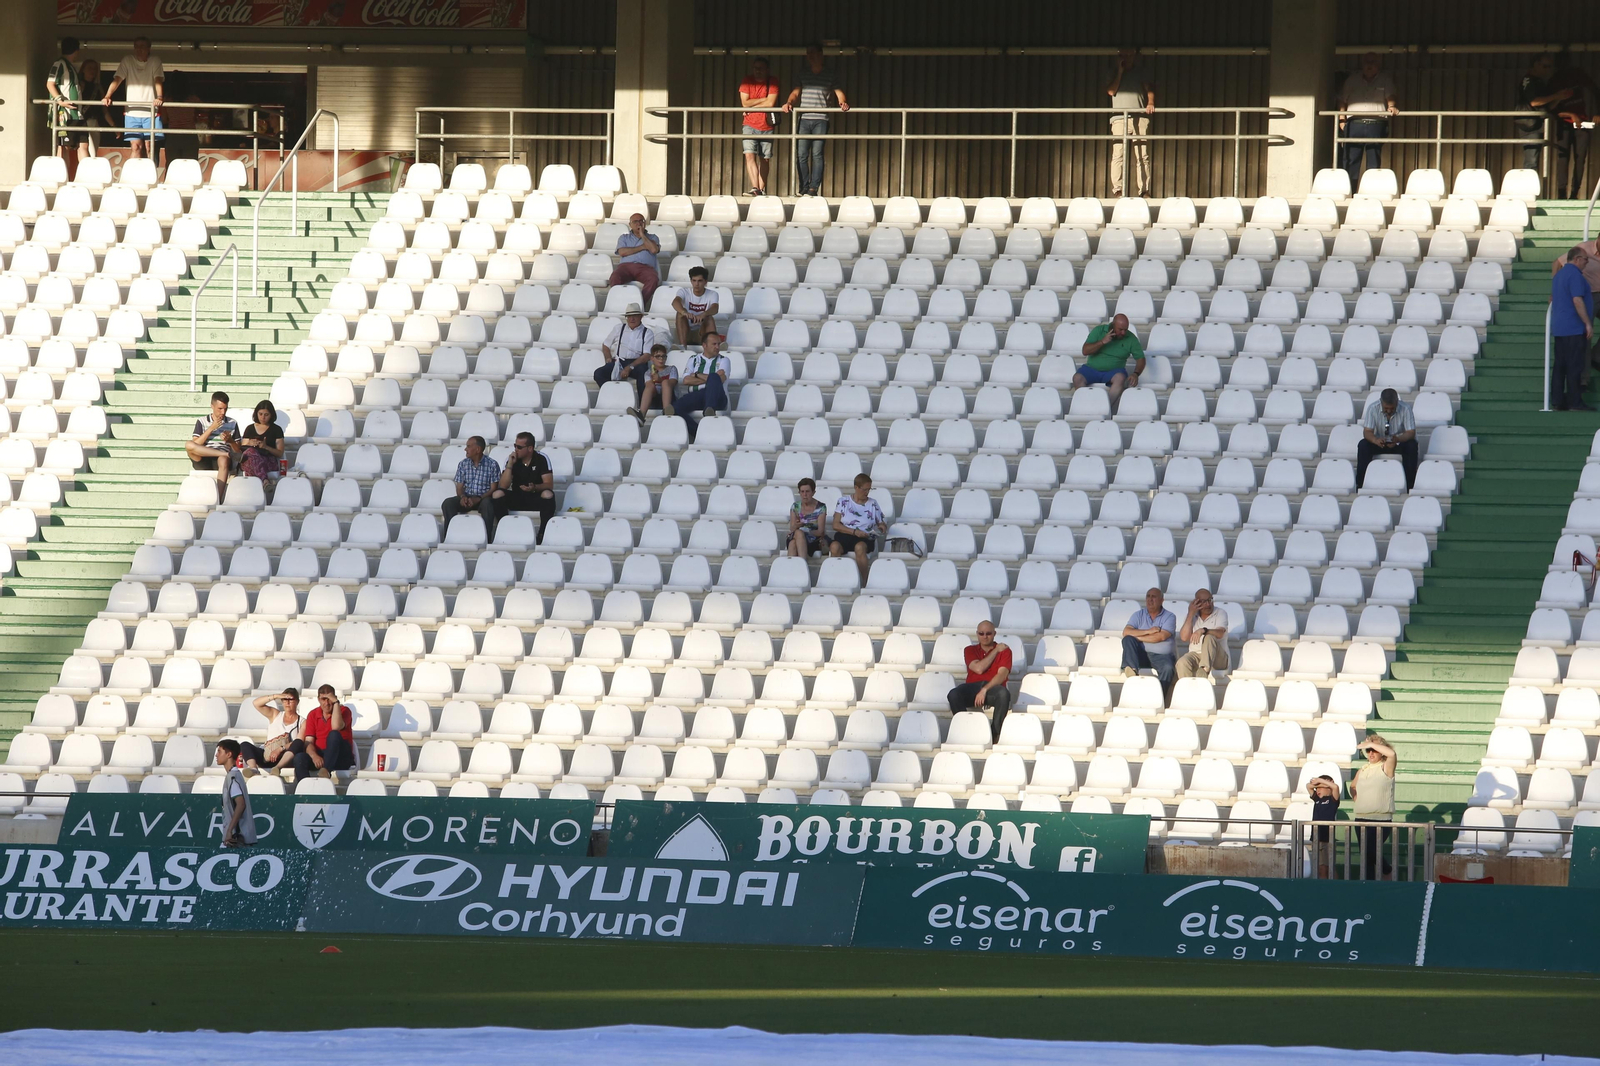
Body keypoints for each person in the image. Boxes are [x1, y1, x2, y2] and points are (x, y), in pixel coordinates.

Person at [783, 44, 849, 197]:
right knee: (801, 154)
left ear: (821, 54)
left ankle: (813, 188)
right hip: (804, 118)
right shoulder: (803, 73)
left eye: (813, 53)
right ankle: (804, 187)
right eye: (808, 53)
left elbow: (839, 93)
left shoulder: (830, 74)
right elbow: (795, 92)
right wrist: (789, 103)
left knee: (817, 154)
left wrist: (843, 103)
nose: (810, 56)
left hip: (821, 119)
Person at [1337, 52, 1398, 190]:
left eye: (1373, 62)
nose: (1370, 65)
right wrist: (1342, 119)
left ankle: (1371, 192)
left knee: (1374, 160)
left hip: (1376, 123)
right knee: (1351, 159)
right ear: (1362, 64)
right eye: (1367, 62)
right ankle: (1349, 191)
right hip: (1354, 124)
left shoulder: (1385, 80)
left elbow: (1391, 95)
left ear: (1378, 65)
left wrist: (1392, 106)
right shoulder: (1352, 80)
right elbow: (1342, 99)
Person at [947, 621, 1013, 741]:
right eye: (981, 633)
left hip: (992, 688)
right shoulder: (970, 650)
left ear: (994, 634)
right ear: (977, 634)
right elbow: (978, 669)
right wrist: (996, 651)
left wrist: (985, 689)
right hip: (972, 687)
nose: (985, 636)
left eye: (988, 633)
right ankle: (966, 730)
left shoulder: (1005, 651)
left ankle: (994, 735)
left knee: (1003, 694)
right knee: (953, 694)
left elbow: (1002, 675)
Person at [103, 36, 165, 163]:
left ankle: (152, 177)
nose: (139, 49)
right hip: (132, 113)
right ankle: (133, 177)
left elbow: (158, 79)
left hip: (151, 113)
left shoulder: (155, 61)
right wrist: (108, 96)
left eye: (142, 46)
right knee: (135, 147)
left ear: (149, 48)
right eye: (136, 46)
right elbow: (118, 79)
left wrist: (159, 97)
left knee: (150, 147)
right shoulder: (128, 60)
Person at [490, 431, 556, 543]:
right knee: (497, 494)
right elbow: (503, 486)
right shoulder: (511, 459)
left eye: (519, 447)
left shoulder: (541, 459)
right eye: (515, 446)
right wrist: (510, 465)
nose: (516, 449)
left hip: (535, 496)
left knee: (548, 494)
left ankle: (542, 533)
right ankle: (506, 529)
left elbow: (549, 484)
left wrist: (534, 487)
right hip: (518, 497)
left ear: (530, 448)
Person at [1106, 48, 1154, 197]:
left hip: (1139, 117)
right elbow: (1111, 91)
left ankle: (1144, 190)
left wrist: (1150, 102)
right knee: (1118, 154)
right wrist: (1120, 72)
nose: (1128, 58)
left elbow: (1149, 89)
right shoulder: (1113, 72)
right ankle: (1118, 190)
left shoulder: (1141, 72)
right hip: (1119, 118)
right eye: (1124, 55)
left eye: (1130, 55)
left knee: (1142, 155)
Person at [1551, 246, 1595, 411]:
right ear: (1577, 259)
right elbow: (1577, 300)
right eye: (1585, 259)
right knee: (1574, 365)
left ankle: (1557, 400)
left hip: (1560, 327)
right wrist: (1587, 323)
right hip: (1573, 327)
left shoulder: (1559, 275)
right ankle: (1575, 401)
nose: (1586, 262)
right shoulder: (1575, 275)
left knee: (1560, 365)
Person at [1349, 734, 1397, 880]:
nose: (1370, 753)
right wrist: (1357, 798)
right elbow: (1353, 786)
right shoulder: (1362, 769)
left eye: (1374, 750)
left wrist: (1370, 743)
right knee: (1365, 856)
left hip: (1380, 818)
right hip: (1361, 818)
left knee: (1372, 851)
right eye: (1368, 750)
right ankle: (1368, 885)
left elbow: (1392, 753)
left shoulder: (1386, 766)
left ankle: (1387, 870)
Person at [1517, 54, 1573, 172]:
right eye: (1545, 66)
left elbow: (1547, 106)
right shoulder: (1529, 80)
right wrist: (1555, 96)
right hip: (1529, 124)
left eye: (1549, 67)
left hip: (1537, 124)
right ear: (1536, 65)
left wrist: (1559, 98)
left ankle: (1532, 188)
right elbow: (1534, 102)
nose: (1547, 70)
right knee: (1531, 161)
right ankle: (1529, 189)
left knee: (1534, 159)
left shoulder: (1540, 82)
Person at [1075, 314, 1144, 410]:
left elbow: (1141, 359)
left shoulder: (1131, 338)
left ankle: (1105, 409)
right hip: (1092, 369)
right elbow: (1085, 351)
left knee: (1120, 378)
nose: (1123, 333)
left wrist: (1136, 373)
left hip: (1114, 372)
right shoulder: (1099, 331)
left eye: (1125, 329)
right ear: (1113, 325)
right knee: (1077, 378)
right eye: (1120, 329)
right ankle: (1086, 407)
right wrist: (1102, 342)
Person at [1356, 388, 1419, 488]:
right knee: (1363, 445)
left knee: (1412, 445)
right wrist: (1375, 440)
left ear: (1397, 403)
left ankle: (1410, 485)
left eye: (1392, 408)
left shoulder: (1406, 409)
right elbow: (1367, 432)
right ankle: (1360, 484)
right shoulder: (1373, 408)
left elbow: (1411, 432)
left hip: (1398, 442)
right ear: (1381, 403)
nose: (1389, 411)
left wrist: (1398, 439)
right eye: (1386, 408)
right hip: (1379, 442)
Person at [674, 330, 730, 441]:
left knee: (714, 378)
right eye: (714, 344)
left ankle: (709, 409)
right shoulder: (693, 359)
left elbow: (721, 379)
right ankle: (698, 432)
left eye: (718, 344)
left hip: (718, 397)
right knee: (674, 408)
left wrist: (697, 375)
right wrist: (711, 380)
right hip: (697, 396)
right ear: (704, 345)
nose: (717, 347)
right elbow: (686, 380)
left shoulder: (724, 360)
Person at [830, 473, 887, 584]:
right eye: (864, 489)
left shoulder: (873, 503)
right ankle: (837, 578)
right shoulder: (843, 502)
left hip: (865, 537)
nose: (867, 493)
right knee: (834, 547)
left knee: (860, 547)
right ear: (856, 487)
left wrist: (881, 527)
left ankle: (864, 581)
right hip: (846, 535)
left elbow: (881, 523)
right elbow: (835, 525)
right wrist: (854, 532)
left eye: (869, 490)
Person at [442, 435, 502, 537]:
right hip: (466, 497)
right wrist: (462, 497)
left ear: (477, 449)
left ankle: (486, 537)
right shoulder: (463, 464)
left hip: (483, 498)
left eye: (468, 446)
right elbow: (459, 487)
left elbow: (493, 488)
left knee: (488, 504)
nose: (465, 449)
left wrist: (479, 498)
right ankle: (449, 535)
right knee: (448, 503)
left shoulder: (492, 464)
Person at [1121, 586, 1177, 693]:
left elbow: (1160, 637)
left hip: (1161, 656)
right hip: (1141, 654)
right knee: (1128, 639)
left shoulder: (1170, 616)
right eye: (1148, 596)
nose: (1150, 599)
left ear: (1162, 600)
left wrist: (1137, 636)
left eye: (1154, 597)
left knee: (1168, 668)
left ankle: (1159, 698)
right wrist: (1149, 631)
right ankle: (1131, 669)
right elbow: (1126, 632)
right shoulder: (1138, 615)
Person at [293, 684, 355, 781]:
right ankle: (305, 789)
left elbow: (336, 726)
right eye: (323, 699)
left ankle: (326, 770)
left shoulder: (344, 711)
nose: (327, 703)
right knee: (300, 758)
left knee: (334, 734)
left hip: (340, 756)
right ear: (318, 700)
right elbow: (309, 741)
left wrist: (336, 703)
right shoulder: (313, 714)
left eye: (329, 699)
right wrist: (314, 756)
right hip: (320, 755)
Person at [186, 391, 239, 500]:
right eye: (220, 409)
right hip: (204, 455)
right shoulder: (202, 421)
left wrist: (230, 441)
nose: (223, 412)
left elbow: (238, 451)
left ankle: (218, 498)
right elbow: (196, 444)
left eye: (225, 408)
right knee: (188, 445)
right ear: (212, 406)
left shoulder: (232, 422)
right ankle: (225, 453)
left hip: (222, 459)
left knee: (223, 460)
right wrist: (211, 428)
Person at [739, 57, 779, 196]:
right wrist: (764, 99)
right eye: (755, 68)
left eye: (761, 68)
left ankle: (761, 190)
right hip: (749, 124)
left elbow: (771, 103)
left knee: (765, 158)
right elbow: (744, 103)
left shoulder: (772, 81)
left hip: (766, 126)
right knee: (749, 155)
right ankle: (755, 187)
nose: (757, 71)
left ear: (767, 70)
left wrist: (752, 103)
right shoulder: (746, 81)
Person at [47, 37, 90, 165]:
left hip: (77, 114)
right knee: (63, 147)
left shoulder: (70, 66)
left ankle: (86, 177)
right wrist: (60, 101)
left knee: (83, 145)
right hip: (64, 115)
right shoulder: (59, 64)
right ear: (76, 51)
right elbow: (50, 83)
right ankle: (62, 178)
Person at [240, 689, 302, 774]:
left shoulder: (302, 721)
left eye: (291, 699)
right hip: (268, 755)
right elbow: (256, 703)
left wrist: (280, 749)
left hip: (285, 757)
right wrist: (276, 696)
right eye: (284, 699)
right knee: (244, 745)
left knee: (296, 747)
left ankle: (277, 768)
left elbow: (298, 742)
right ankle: (253, 768)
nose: (287, 703)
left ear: (297, 701)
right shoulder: (276, 715)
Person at [606, 213, 662, 306]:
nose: (639, 224)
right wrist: (643, 247)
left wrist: (642, 235)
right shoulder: (624, 237)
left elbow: (653, 249)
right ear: (630, 225)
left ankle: (639, 305)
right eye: (635, 221)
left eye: (641, 221)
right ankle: (620, 303)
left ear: (645, 223)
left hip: (645, 268)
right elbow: (622, 252)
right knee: (615, 277)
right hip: (626, 267)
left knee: (653, 279)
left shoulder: (653, 237)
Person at [597, 303, 655, 390]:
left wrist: (630, 367)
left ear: (640, 316)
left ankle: (641, 402)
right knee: (598, 373)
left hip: (637, 363)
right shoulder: (619, 328)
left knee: (642, 372)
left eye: (635, 316)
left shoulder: (648, 332)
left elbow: (646, 355)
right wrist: (608, 357)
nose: (632, 319)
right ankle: (610, 393)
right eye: (629, 316)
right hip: (619, 362)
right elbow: (605, 344)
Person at [1174, 590, 1230, 681]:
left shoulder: (1220, 612)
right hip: (1196, 654)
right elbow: (1184, 637)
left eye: (1210, 600)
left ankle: (1204, 670)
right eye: (1204, 601)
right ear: (1196, 602)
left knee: (1209, 637)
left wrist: (1203, 630)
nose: (1208, 604)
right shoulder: (1191, 616)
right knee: (1182, 662)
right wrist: (1190, 614)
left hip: (1218, 657)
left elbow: (1220, 633)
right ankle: (1188, 689)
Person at [215, 739, 256, 847]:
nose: (216, 755)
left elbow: (241, 804)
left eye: (219, 751)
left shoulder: (232, 777)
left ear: (229, 754)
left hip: (236, 839)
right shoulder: (234, 776)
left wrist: (230, 830)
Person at [238, 399, 285, 485]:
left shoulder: (276, 430)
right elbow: (243, 447)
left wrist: (266, 447)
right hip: (250, 459)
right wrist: (250, 443)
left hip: (268, 460)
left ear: (271, 415)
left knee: (251, 459)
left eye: (266, 415)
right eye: (260, 414)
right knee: (250, 453)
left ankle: (255, 487)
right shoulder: (250, 428)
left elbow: (280, 453)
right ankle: (265, 481)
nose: (263, 417)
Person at [672, 266, 719, 347]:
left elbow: (715, 308)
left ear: (705, 282)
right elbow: (675, 302)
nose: (696, 284)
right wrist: (684, 312)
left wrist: (704, 314)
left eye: (700, 281)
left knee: (709, 318)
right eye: (694, 281)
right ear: (691, 281)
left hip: (701, 332)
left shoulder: (712, 294)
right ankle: (682, 347)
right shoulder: (684, 291)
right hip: (686, 331)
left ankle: (712, 346)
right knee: (680, 313)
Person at [631, 344, 677, 422]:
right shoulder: (648, 373)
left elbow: (673, 382)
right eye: (658, 356)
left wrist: (660, 380)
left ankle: (667, 413)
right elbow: (649, 385)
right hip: (655, 399)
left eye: (663, 356)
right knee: (650, 386)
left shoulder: (672, 368)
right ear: (652, 358)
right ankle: (641, 415)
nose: (661, 359)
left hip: (671, 398)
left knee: (665, 383)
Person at [1307, 775, 1341, 880]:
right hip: (1316, 838)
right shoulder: (1317, 799)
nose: (1318, 790)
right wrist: (1321, 783)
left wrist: (1321, 781)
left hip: (1327, 838)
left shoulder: (1332, 799)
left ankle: (1336, 889)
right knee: (1321, 867)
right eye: (1317, 788)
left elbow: (1335, 787)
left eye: (1321, 787)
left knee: (1329, 867)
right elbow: (1308, 786)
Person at [788, 477, 827, 557]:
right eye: (802, 492)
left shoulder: (821, 507)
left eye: (807, 491)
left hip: (813, 539)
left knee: (793, 544)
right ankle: (803, 564)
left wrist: (805, 531)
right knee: (798, 534)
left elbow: (820, 532)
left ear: (813, 492)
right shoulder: (795, 506)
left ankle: (797, 567)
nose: (804, 495)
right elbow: (792, 528)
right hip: (797, 536)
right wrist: (797, 526)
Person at [78, 59, 106, 154]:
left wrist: (113, 126)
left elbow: (104, 109)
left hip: (94, 122)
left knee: (94, 151)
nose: (92, 71)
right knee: (83, 147)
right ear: (83, 70)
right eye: (89, 68)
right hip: (82, 121)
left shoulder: (98, 87)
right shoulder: (78, 85)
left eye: (95, 69)